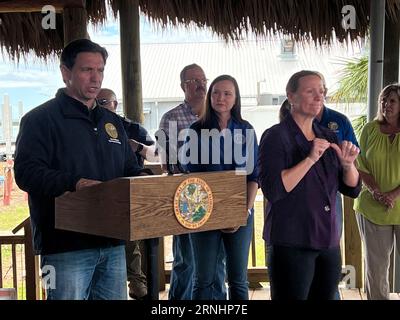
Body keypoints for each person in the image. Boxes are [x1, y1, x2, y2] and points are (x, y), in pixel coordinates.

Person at [13, 39, 145, 300]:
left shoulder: (113, 122)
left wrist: (146, 182)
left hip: (113, 241)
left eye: (100, 70)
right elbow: (26, 172)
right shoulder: (39, 120)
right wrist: (74, 183)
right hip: (65, 245)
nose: (95, 78)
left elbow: (128, 169)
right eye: (87, 70)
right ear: (65, 73)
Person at [258, 70, 361, 300]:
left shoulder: (328, 135)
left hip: (328, 242)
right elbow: (273, 190)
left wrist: (347, 165)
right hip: (291, 241)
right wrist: (310, 159)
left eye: (322, 91)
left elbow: (353, 189)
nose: (319, 96)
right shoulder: (275, 136)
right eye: (310, 91)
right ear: (291, 96)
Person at [181, 74, 259, 300]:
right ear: (209, 96)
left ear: (236, 99)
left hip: (240, 210)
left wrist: (243, 210)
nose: (220, 98)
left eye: (227, 93)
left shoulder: (246, 130)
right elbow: (190, 172)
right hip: (203, 211)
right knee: (203, 279)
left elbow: (254, 175)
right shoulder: (196, 130)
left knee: (238, 280)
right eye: (215, 92)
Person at [158, 64, 226, 300]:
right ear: (182, 86)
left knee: (217, 260)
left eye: (203, 80)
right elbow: (168, 163)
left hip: (218, 196)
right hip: (187, 197)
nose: (200, 85)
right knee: (186, 260)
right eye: (193, 81)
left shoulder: (221, 115)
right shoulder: (171, 118)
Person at [97, 88, 155, 300]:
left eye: (104, 101)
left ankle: (137, 282)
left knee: (132, 245)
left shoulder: (132, 128)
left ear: (115, 104)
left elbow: (157, 154)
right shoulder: (92, 127)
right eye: (98, 101)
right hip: (102, 197)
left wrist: (136, 147)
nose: (100, 104)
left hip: (132, 196)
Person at [353, 84, 400, 300]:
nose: (386, 105)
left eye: (392, 101)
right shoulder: (370, 129)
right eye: (383, 100)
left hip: (397, 204)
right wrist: (377, 191)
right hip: (372, 207)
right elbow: (360, 164)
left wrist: (393, 194)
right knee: (376, 267)